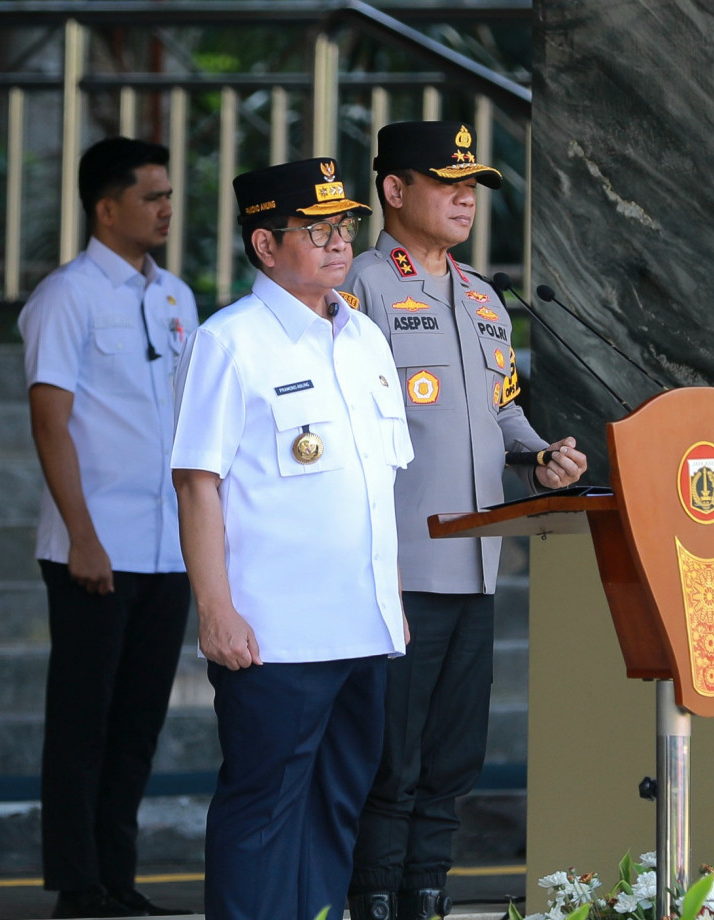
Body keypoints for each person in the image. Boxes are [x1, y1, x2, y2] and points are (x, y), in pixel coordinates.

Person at [341, 121, 588, 920]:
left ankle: (426, 895)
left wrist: (542, 454)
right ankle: (374, 897)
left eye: (472, 184)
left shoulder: (486, 297)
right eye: (446, 181)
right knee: (391, 762)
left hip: (478, 566)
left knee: (452, 760)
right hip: (401, 570)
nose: (464, 197)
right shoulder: (366, 285)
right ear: (393, 190)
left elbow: (503, 414)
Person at [171, 158, 414, 920]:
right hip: (273, 633)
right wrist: (215, 609)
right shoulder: (230, 342)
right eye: (317, 231)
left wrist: (392, 599)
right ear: (265, 246)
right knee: (264, 808)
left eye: (343, 227)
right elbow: (196, 482)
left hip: (360, 624)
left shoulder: (367, 337)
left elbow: (380, 485)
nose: (339, 244)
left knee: (338, 806)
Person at [17, 136, 197, 920]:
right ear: (106, 208)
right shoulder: (66, 297)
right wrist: (84, 536)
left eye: (167, 194)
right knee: (83, 724)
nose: (165, 208)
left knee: (137, 725)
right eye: (151, 196)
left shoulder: (178, 298)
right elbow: (51, 424)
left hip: (166, 547)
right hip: (93, 548)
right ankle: (77, 885)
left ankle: (118, 879)